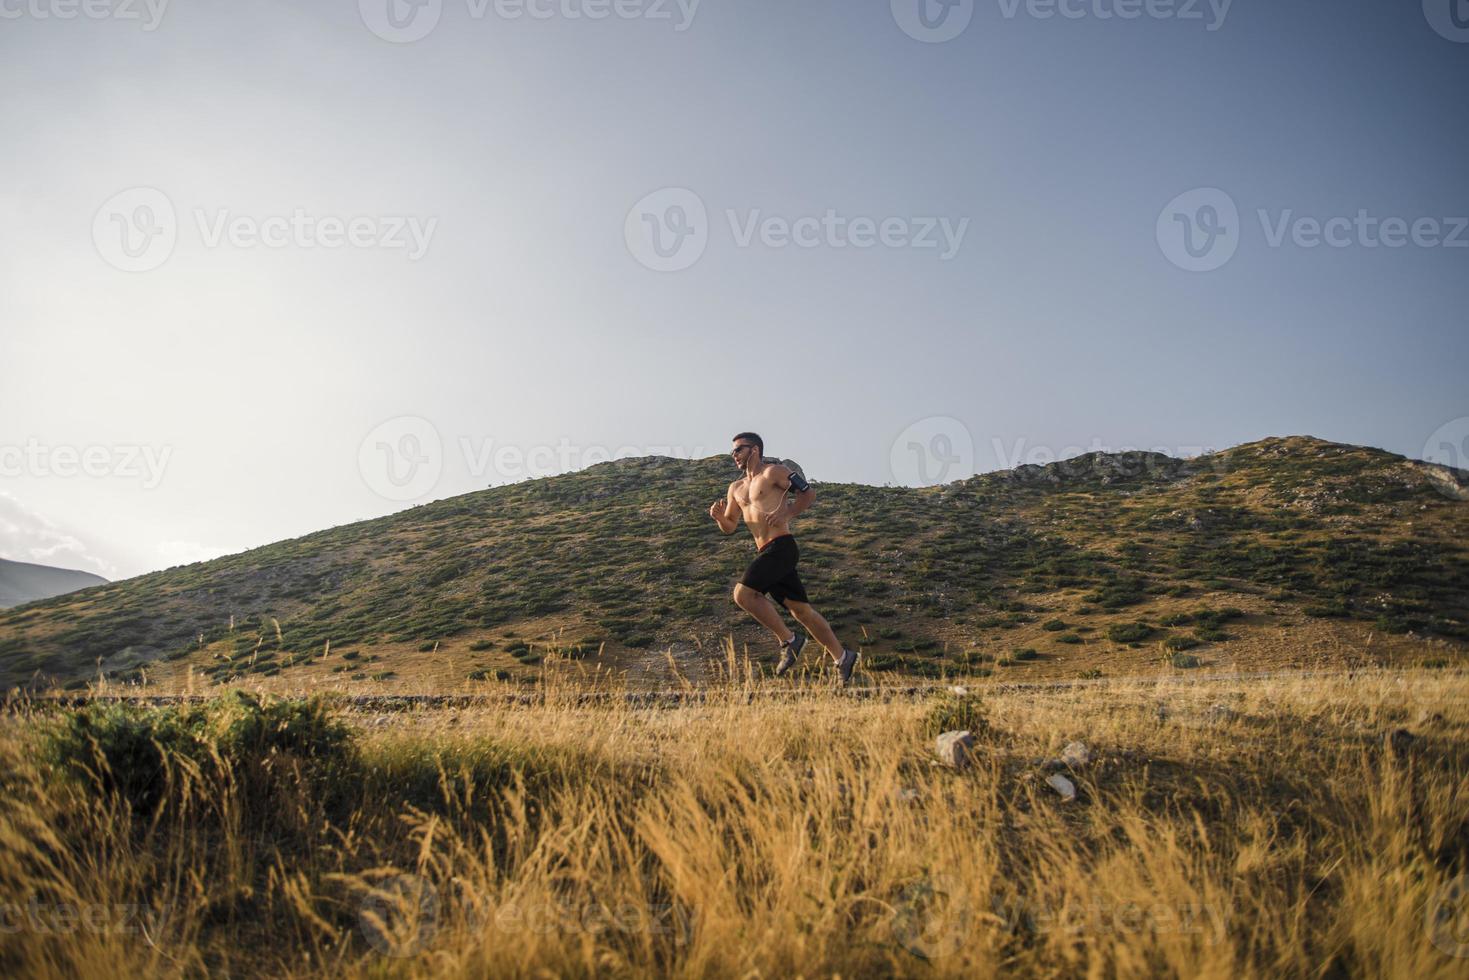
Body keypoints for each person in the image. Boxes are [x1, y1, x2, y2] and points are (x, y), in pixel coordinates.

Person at [707, 431, 858, 684]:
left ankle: (789, 641)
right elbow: (731, 526)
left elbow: (808, 493)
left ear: (754, 450)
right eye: (732, 451)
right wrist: (719, 518)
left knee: (743, 594)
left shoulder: (774, 472)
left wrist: (787, 514)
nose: (734, 455)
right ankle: (843, 657)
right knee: (801, 611)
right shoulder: (735, 488)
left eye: (738, 450)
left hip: (782, 547)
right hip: (765, 550)